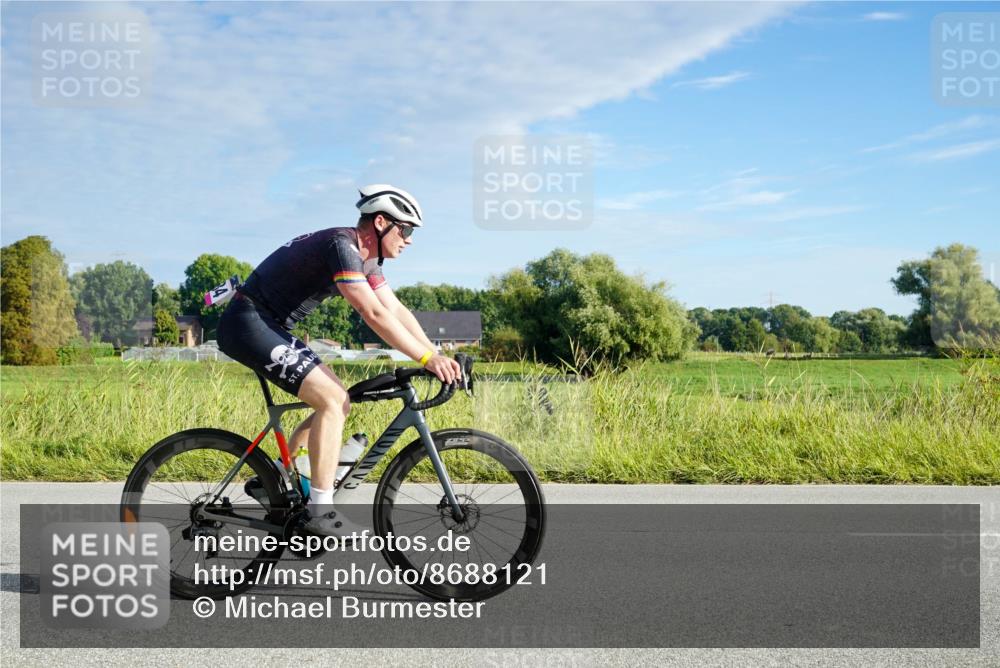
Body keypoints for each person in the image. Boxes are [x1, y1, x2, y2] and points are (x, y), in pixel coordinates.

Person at [216, 184, 462, 537]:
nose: (409, 240)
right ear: (381, 223)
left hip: (267, 323)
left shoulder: (367, 259)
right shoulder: (342, 247)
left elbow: (394, 308)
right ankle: (319, 511)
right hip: (248, 322)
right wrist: (425, 357)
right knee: (332, 399)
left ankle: (275, 478)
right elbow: (372, 312)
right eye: (406, 230)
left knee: (337, 401)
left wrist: (435, 355)